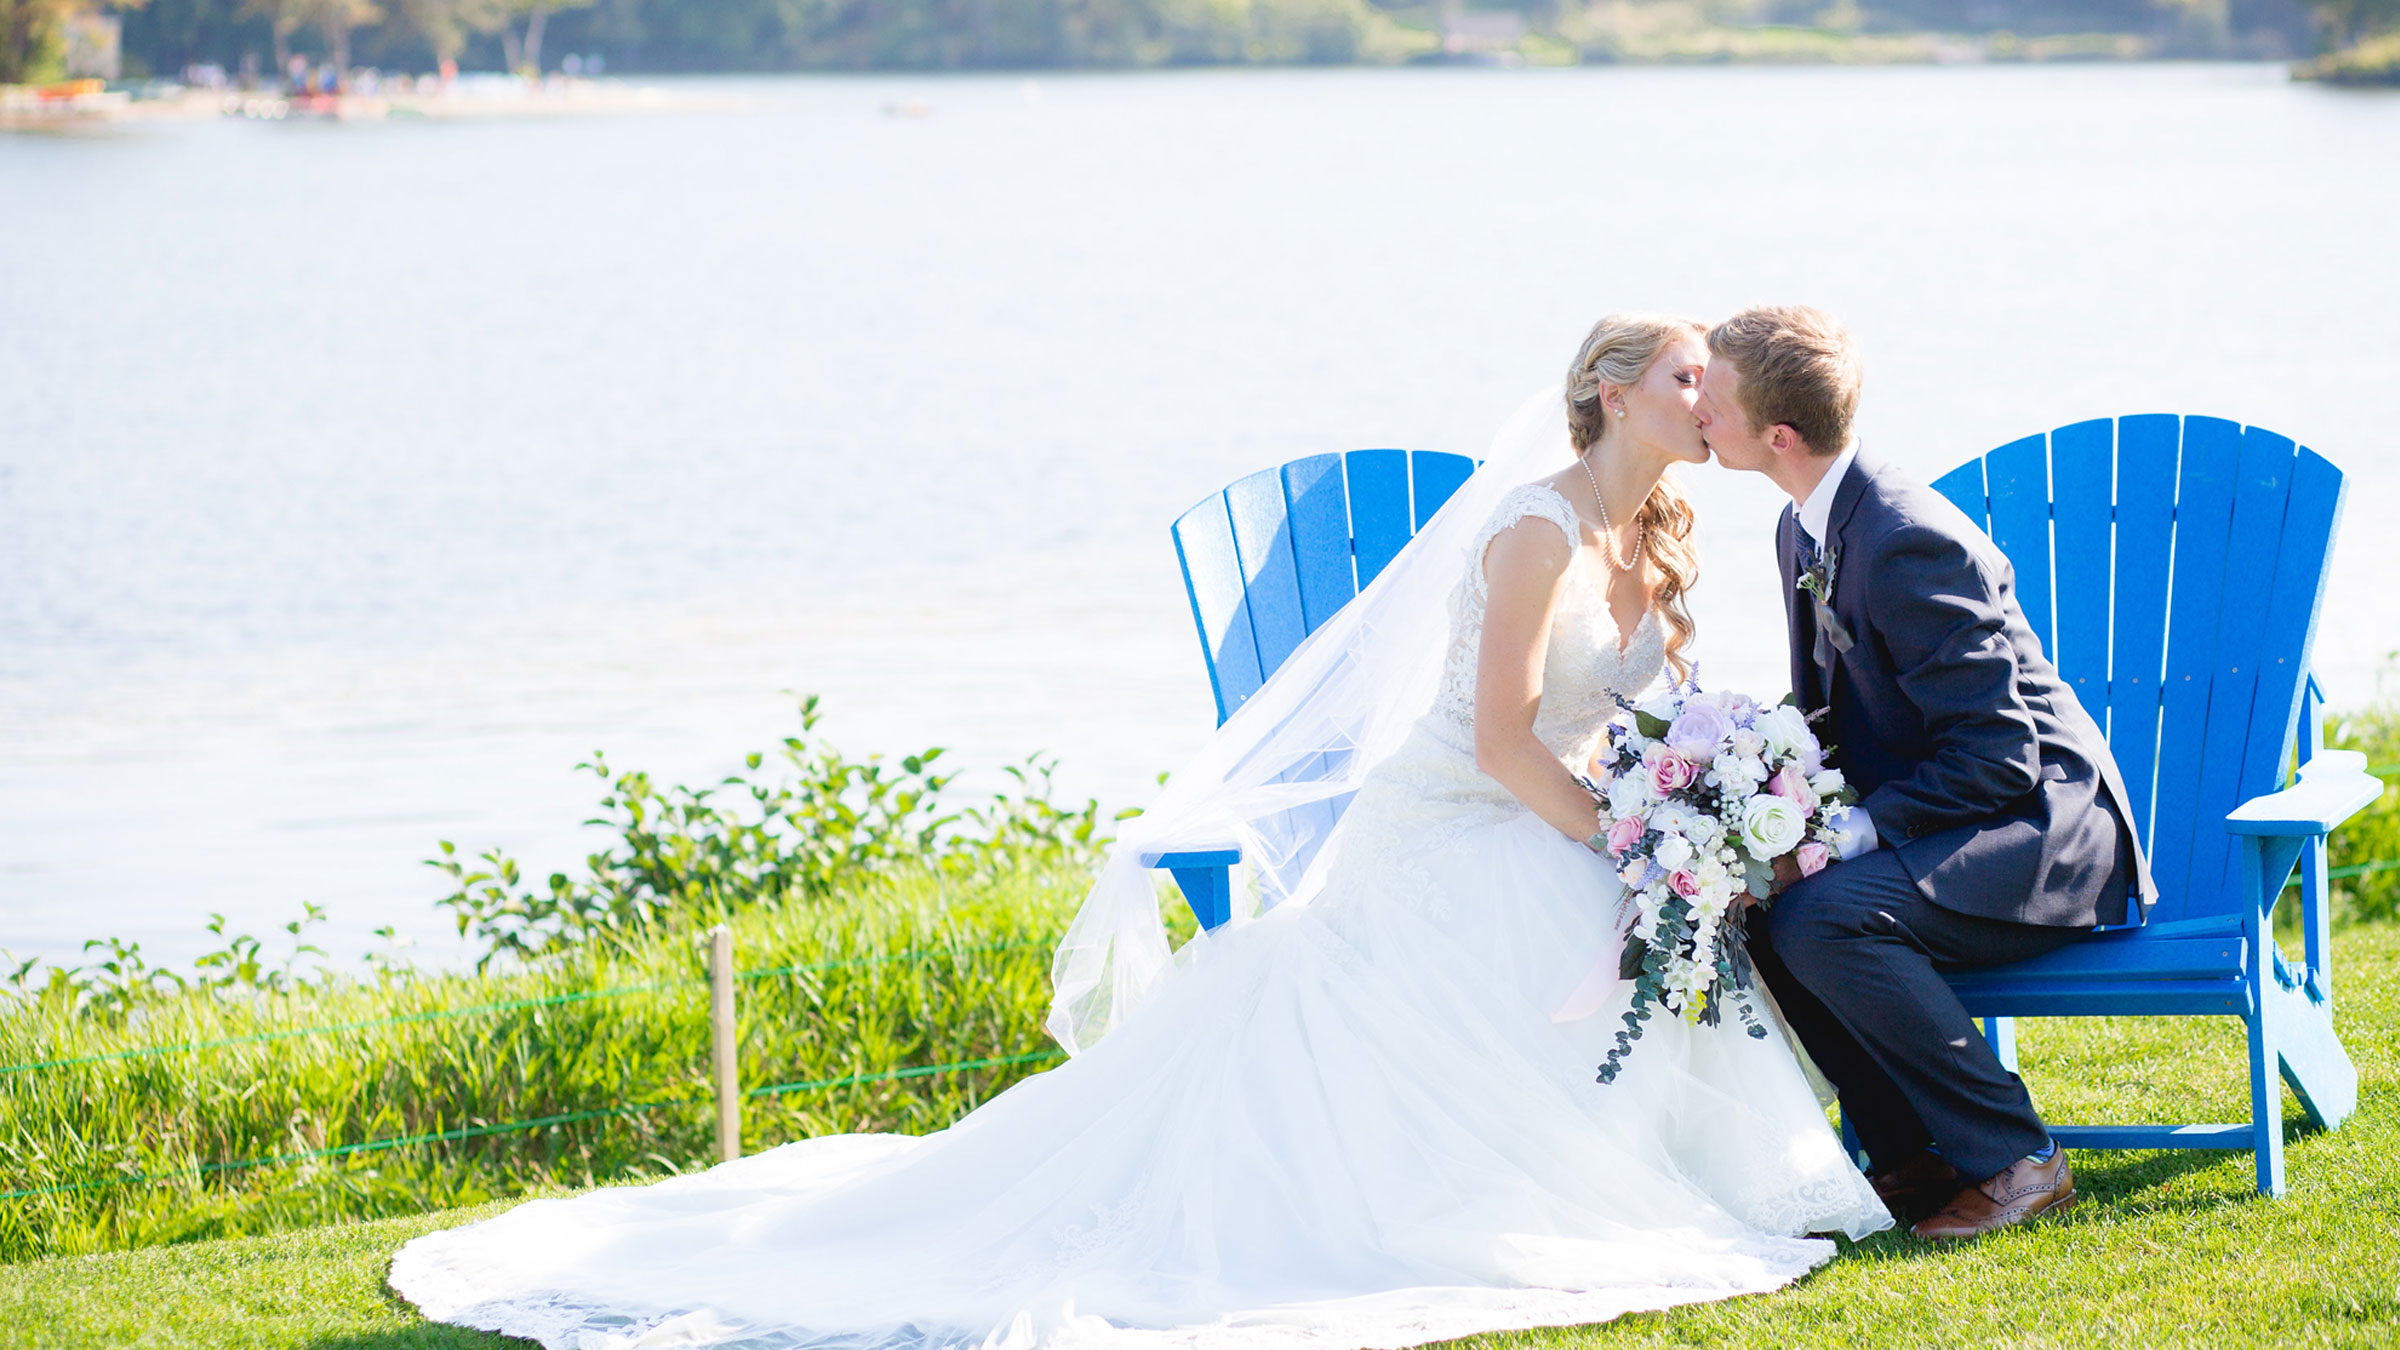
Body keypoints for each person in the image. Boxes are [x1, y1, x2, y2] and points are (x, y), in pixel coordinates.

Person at [390, 315, 1889, 1350]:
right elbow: (1502, 740)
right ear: (1614, 387)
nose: (1713, 399)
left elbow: (1637, 720)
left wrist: (1694, 799)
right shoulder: (1533, 532)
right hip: (1458, 824)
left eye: (1718, 380)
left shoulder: (1656, 536)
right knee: (1573, 938)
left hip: (1560, 816)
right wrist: (1626, 850)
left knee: (1642, 943)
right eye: (1692, 373)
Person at [1696, 305, 2153, 1242]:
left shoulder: (1906, 539)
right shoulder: (1805, 525)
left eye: (1714, 393)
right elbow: (1838, 709)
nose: (1698, 405)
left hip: (2044, 832)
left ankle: (2015, 1158)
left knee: (1824, 913)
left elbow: (2001, 754)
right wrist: (1770, 805)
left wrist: (1855, 833)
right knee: (1767, 909)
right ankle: (1908, 1162)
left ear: (1777, 436)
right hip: (1960, 815)